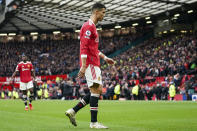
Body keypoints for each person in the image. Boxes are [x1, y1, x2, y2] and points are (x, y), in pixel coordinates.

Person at [65, 2, 115, 129]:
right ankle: (93, 123)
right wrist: (83, 65)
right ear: (96, 12)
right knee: (96, 90)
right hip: (91, 63)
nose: (104, 15)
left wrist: (105, 58)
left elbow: (93, 49)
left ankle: (73, 111)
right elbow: (84, 47)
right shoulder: (88, 26)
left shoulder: (92, 27)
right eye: (103, 12)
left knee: (96, 90)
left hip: (94, 62)